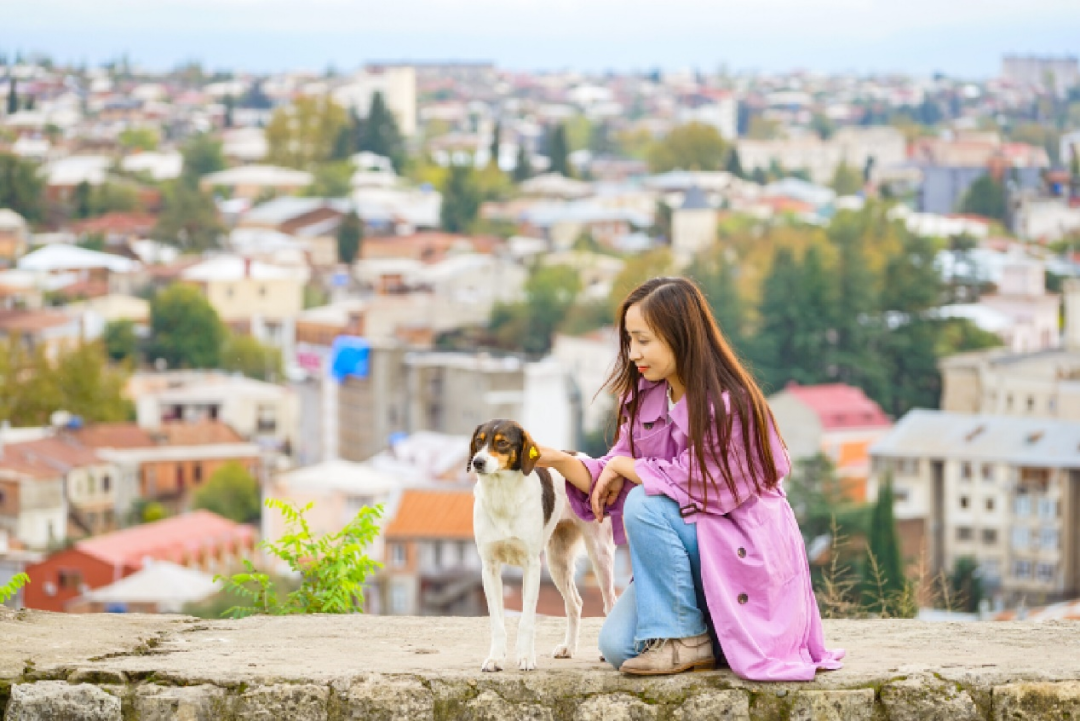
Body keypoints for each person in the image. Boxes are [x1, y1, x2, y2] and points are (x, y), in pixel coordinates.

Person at [536, 276, 845, 680]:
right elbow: (608, 472)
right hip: (692, 552)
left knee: (644, 503)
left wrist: (626, 468)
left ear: (680, 336)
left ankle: (684, 638)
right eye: (629, 340)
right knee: (617, 646)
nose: (633, 354)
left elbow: (707, 485)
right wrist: (557, 460)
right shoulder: (646, 396)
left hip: (739, 547)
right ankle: (709, 634)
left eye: (644, 340)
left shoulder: (730, 403)